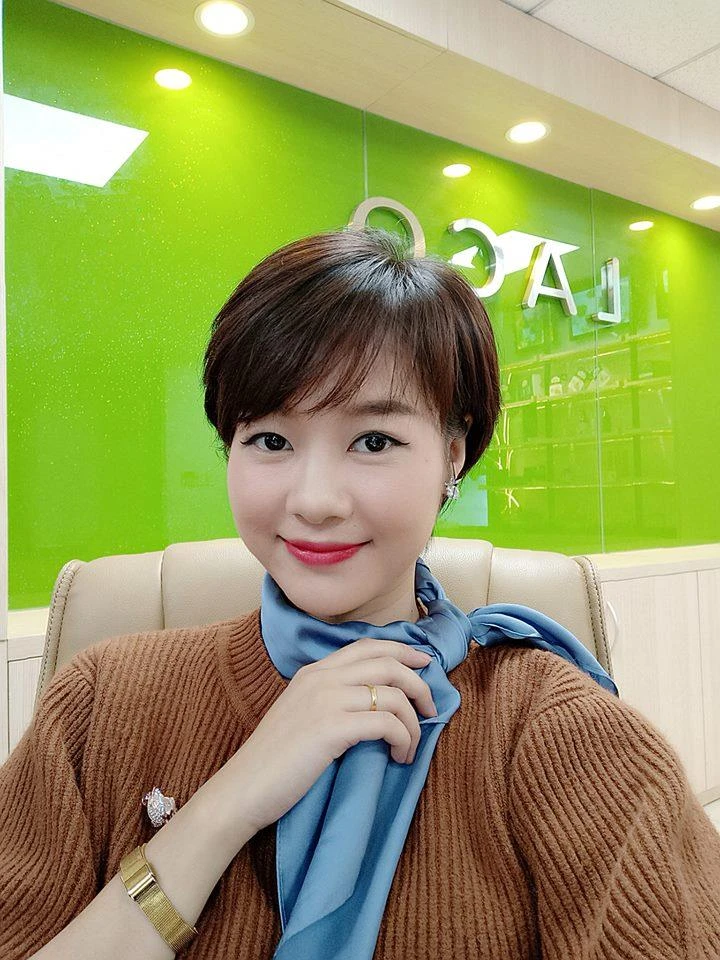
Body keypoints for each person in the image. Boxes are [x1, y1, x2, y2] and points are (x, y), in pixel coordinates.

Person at [2, 226, 720, 960]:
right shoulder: (98, 705)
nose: (315, 501)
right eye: (271, 440)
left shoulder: (560, 734)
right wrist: (227, 802)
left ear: (452, 455)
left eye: (374, 441)